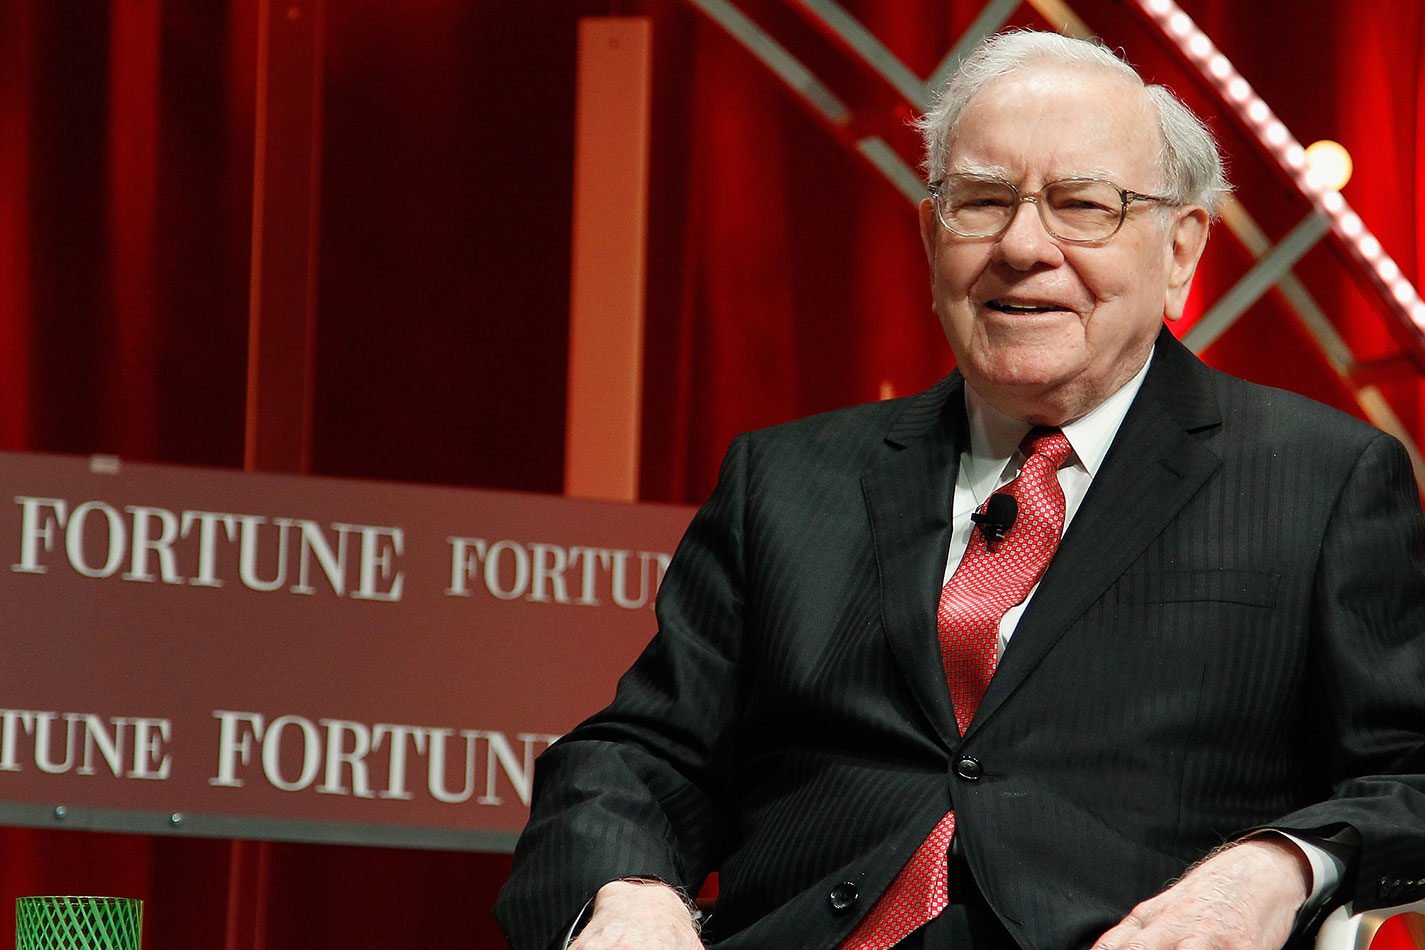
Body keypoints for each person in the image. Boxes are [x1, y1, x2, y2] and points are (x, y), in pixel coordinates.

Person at [496, 29, 1425, 950]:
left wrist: (1276, 865)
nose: (1021, 246)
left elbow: (1411, 776)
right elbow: (637, 755)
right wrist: (627, 893)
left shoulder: (1320, 479)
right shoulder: (782, 481)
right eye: (981, 201)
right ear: (930, 235)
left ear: (1180, 251)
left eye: (1081, 205)